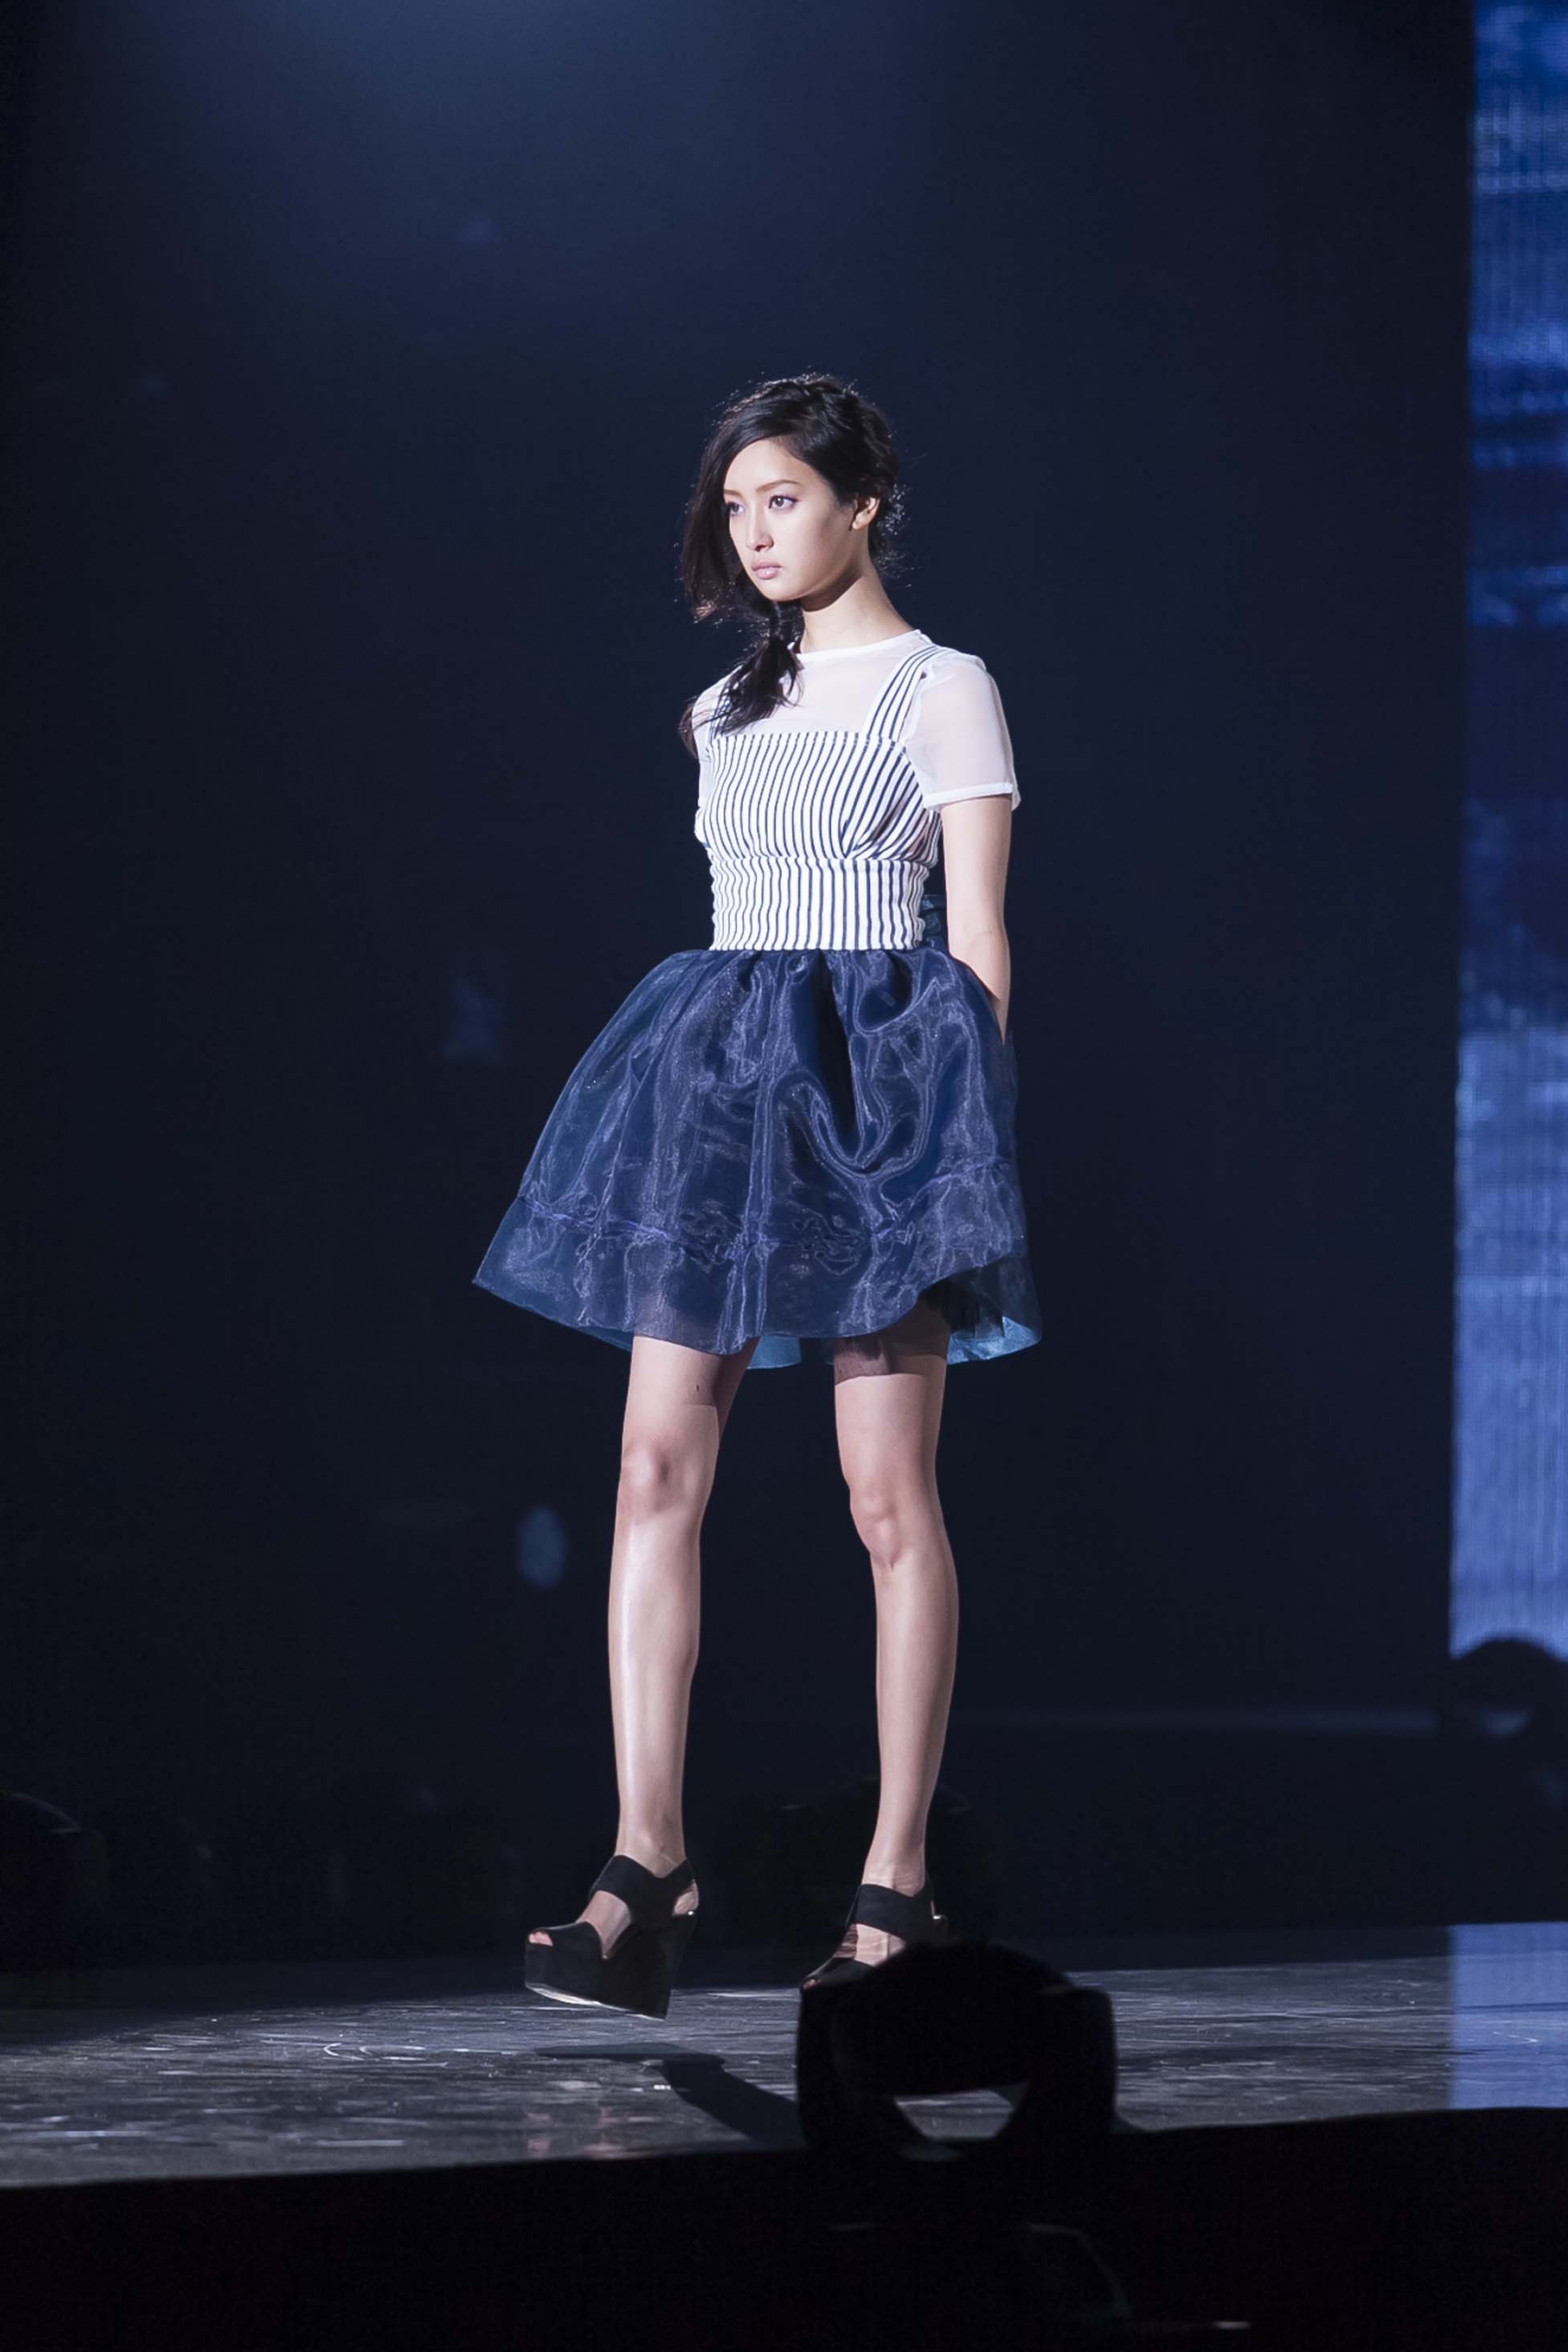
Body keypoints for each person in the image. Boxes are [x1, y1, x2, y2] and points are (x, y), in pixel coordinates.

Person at [473, 372, 1042, 2017]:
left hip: (879, 1094)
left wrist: (962, 1155)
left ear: (865, 503)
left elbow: (978, 938)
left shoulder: (944, 687)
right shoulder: (724, 704)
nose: (755, 531)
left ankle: (897, 1882)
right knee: (652, 1464)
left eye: (782, 498)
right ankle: (644, 1864)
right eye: (735, 506)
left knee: (885, 1496)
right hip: (719, 1083)